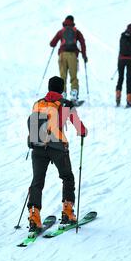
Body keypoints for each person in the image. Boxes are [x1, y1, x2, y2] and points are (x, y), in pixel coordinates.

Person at [27, 76, 87, 231]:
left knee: (37, 181)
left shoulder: (38, 103)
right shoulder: (66, 104)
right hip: (57, 148)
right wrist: (83, 132)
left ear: (49, 88)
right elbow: (79, 127)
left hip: (38, 147)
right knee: (67, 177)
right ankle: (67, 212)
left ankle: (34, 215)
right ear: (62, 89)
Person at [50, 15, 87, 105]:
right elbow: (82, 42)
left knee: (63, 77)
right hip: (72, 55)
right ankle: (74, 97)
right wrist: (84, 55)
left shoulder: (61, 32)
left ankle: (62, 97)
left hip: (62, 55)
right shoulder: (76, 32)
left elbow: (52, 43)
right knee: (73, 77)